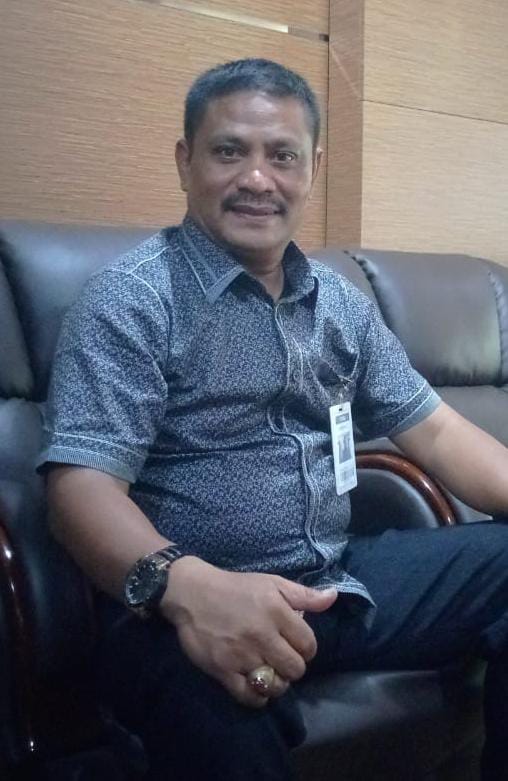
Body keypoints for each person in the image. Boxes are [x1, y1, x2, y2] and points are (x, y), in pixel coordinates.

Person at [38, 58, 508, 780]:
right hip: (178, 605)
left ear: (312, 168)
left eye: (282, 156)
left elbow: (437, 430)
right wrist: (189, 589)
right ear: (185, 161)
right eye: (230, 151)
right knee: (208, 708)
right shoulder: (132, 299)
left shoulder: (340, 304)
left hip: (333, 578)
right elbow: (80, 489)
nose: (258, 179)